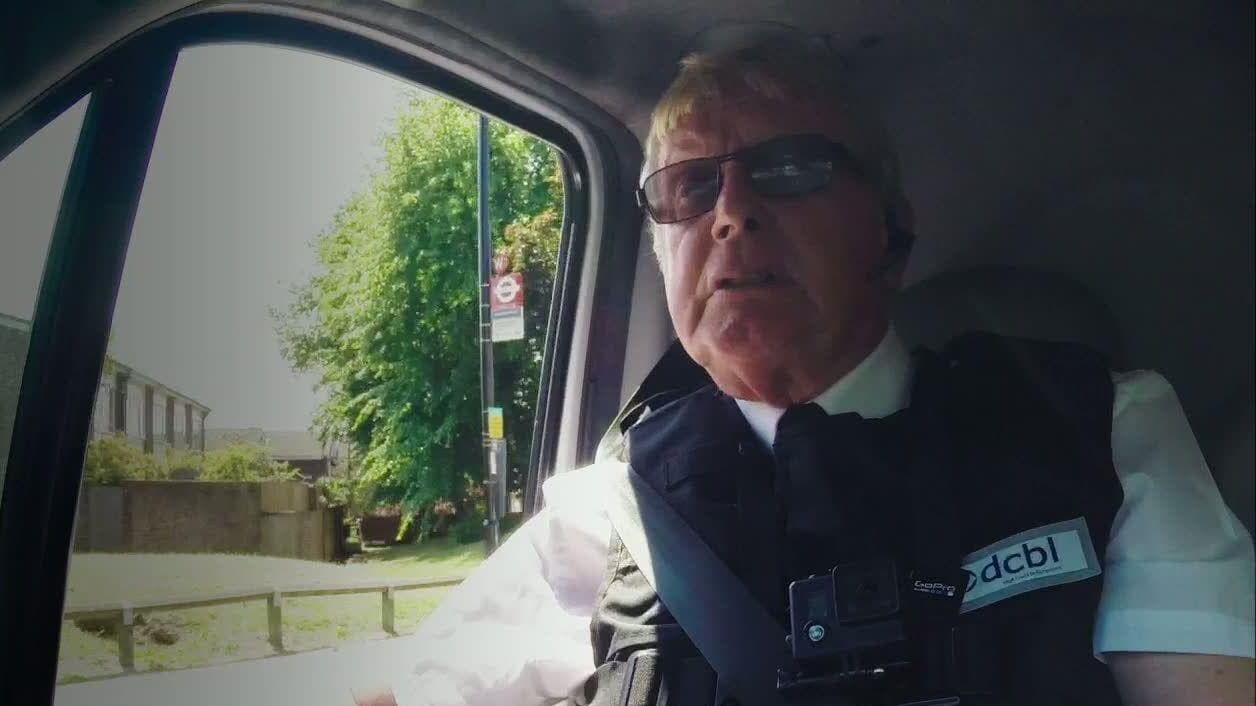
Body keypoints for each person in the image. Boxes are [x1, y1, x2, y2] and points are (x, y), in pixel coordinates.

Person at [355, 34, 1255, 706]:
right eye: (690, 187)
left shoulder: (1101, 430)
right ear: (662, 251)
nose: (731, 213)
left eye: (789, 169)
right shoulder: (614, 510)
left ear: (890, 234)